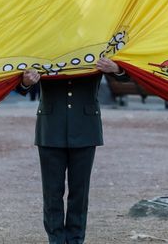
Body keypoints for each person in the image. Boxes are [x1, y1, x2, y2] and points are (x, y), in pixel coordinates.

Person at [17, 56, 130, 244]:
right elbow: (21, 86)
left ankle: (76, 240)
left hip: (85, 127)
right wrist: (27, 81)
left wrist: (115, 68)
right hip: (51, 127)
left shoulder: (98, 45)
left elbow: (127, 77)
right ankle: (56, 240)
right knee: (52, 192)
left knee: (80, 192)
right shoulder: (44, 47)